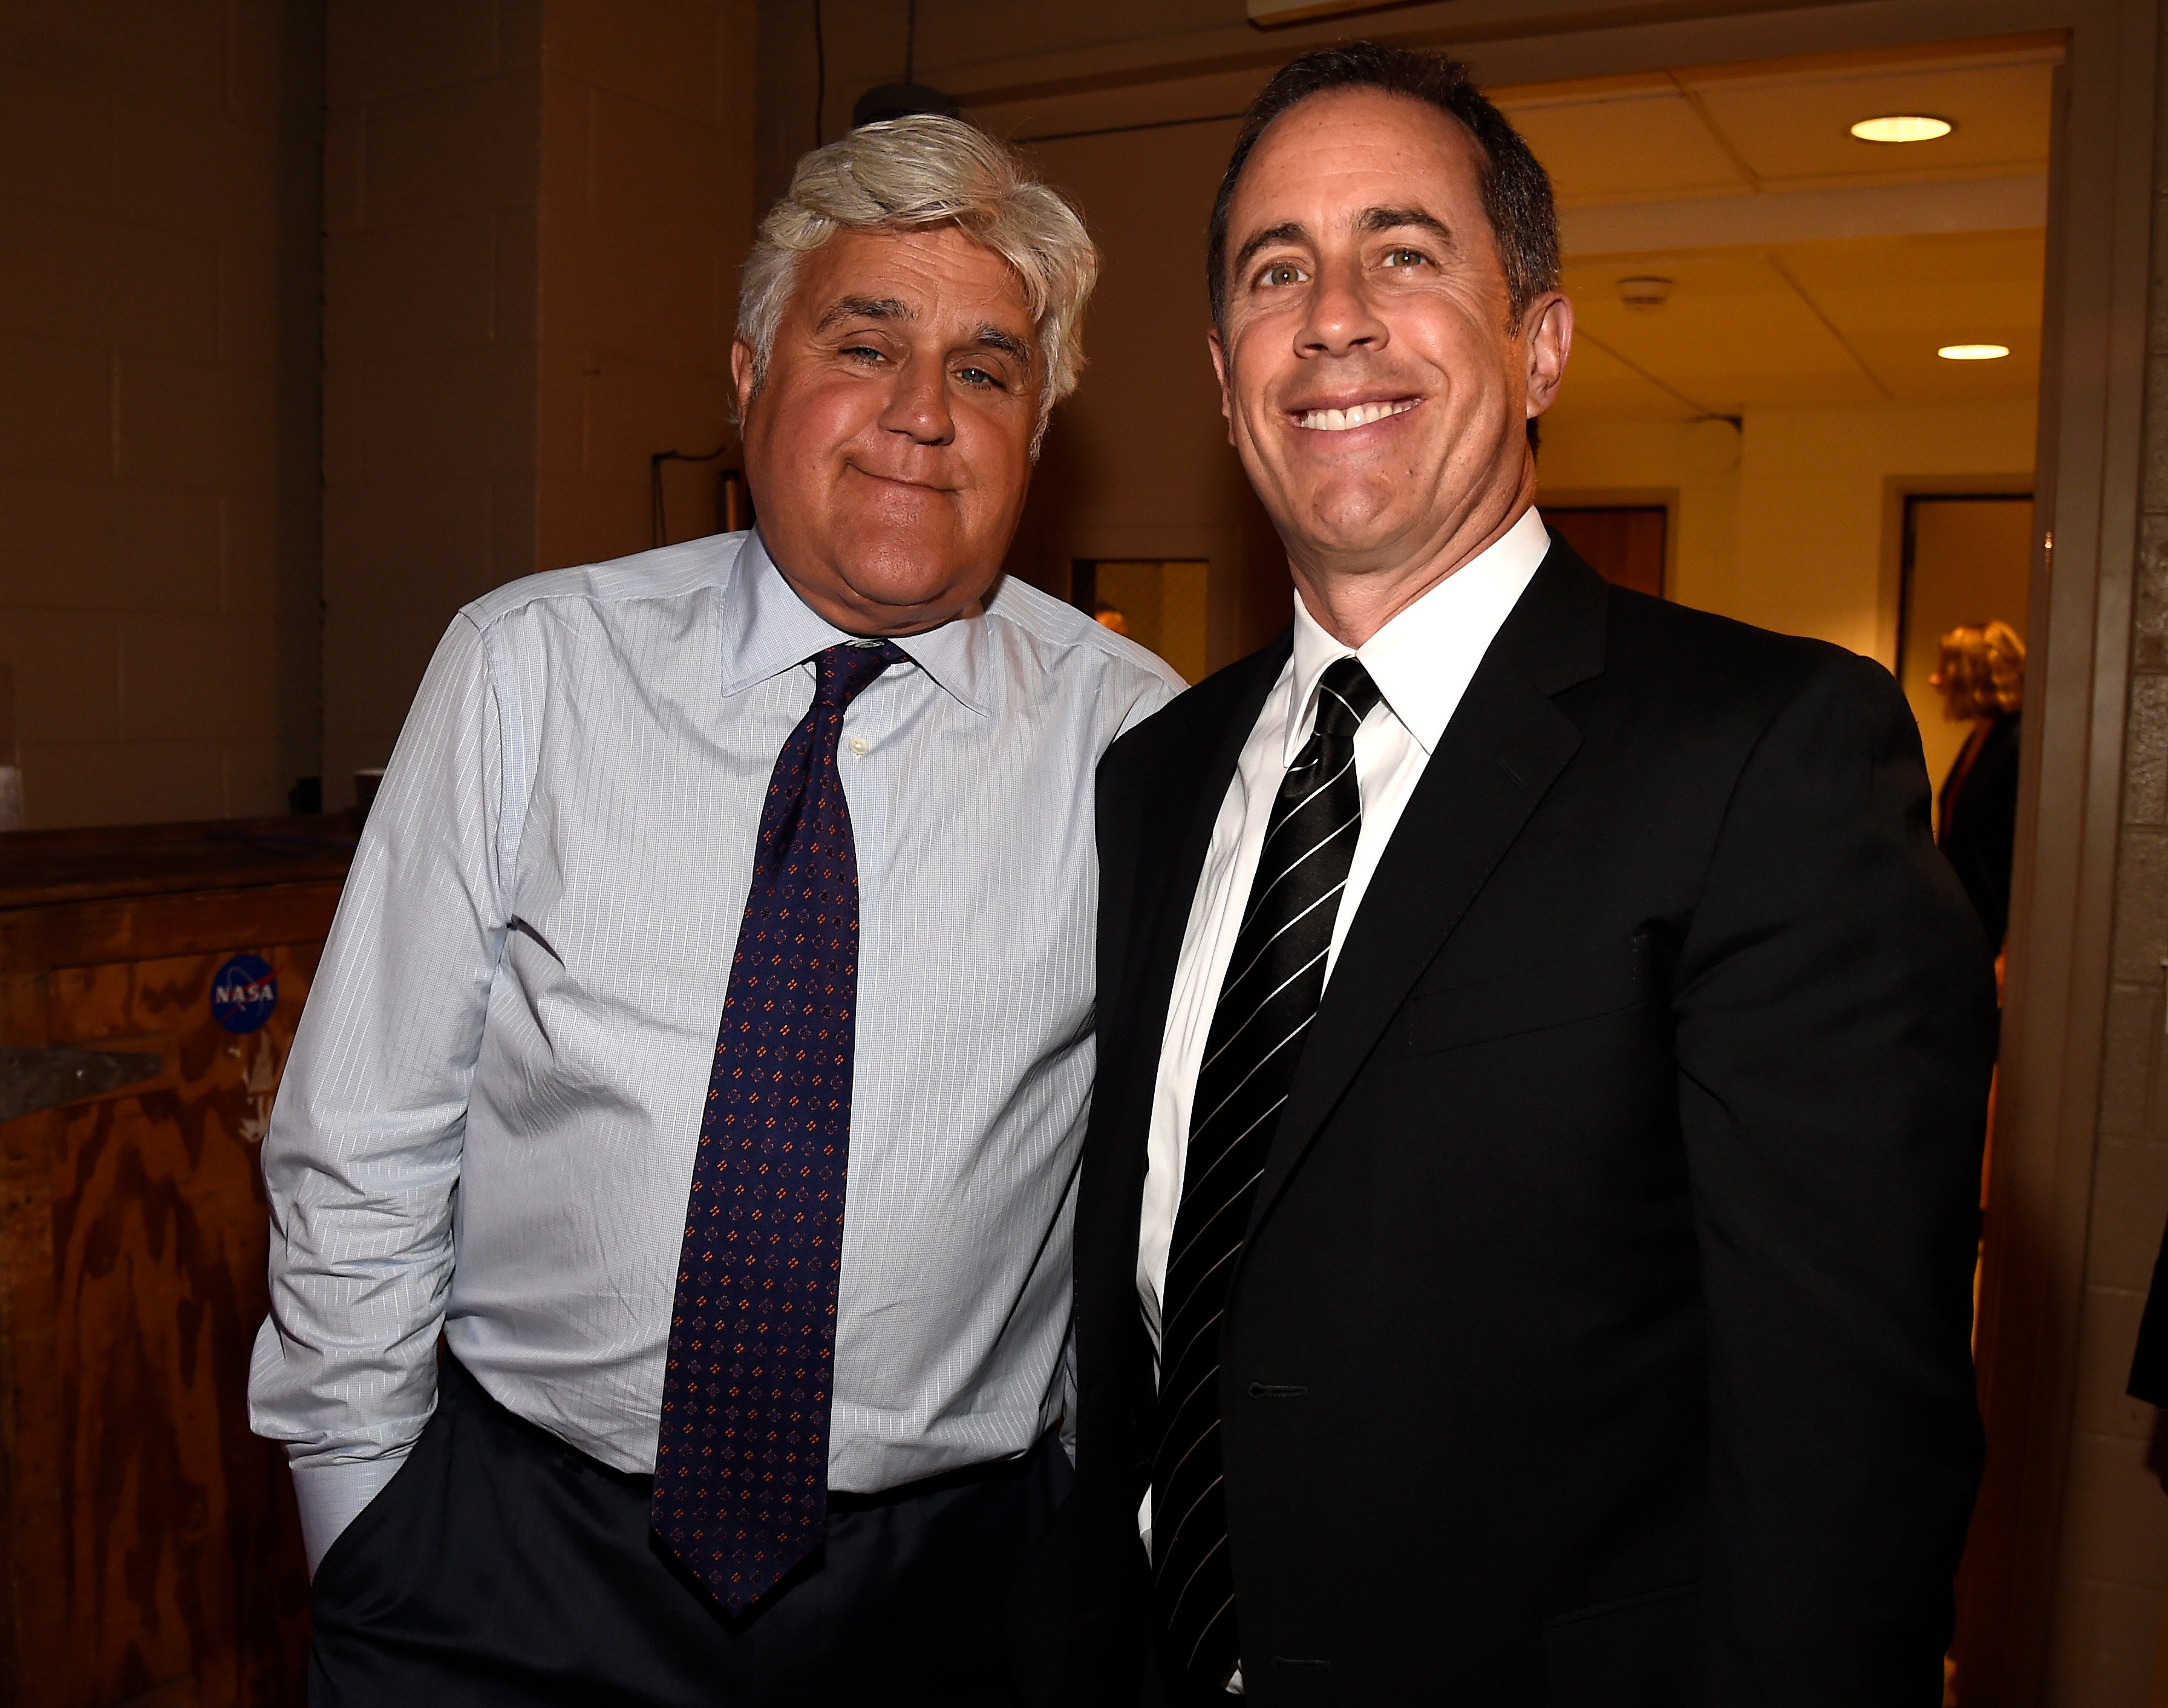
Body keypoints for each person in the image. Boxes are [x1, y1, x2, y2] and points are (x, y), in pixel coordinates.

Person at [1019, 44, 1997, 1705]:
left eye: (1404, 253)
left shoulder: (1762, 759)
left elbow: (1848, 1459)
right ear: (1223, 367)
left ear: (1539, 344)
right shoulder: (1156, 781)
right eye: (1277, 269)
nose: (1333, 313)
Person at [248, 116, 1181, 1706]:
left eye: (986, 367)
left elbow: (1157, 1207)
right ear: (748, 376)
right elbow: (365, 1131)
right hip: (512, 1566)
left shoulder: (1138, 743)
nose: (919, 415)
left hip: (957, 1605)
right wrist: (366, 1530)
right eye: (863, 341)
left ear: (1040, 422)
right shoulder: (528, 671)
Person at [1930, 620, 2025, 955]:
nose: (1935, 679)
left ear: (1975, 676)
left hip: (1993, 934)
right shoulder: (1981, 737)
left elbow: (2022, 855)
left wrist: (2009, 951)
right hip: (1967, 927)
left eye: (1946, 668)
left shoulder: (2017, 744)